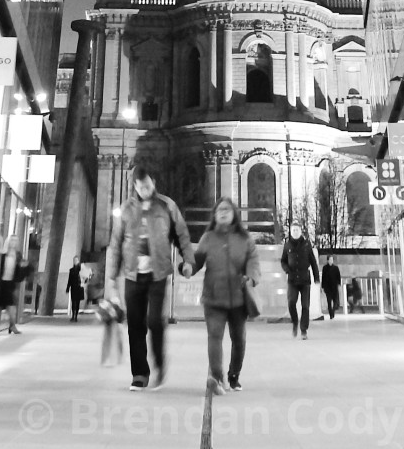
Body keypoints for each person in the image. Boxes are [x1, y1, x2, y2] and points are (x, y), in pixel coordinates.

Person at [105, 164, 195, 389]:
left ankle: (160, 363)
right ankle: (140, 374)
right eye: (141, 186)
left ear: (153, 183)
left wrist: (188, 260)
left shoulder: (166, 206)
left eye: (148, 185)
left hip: (158, 273)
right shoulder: (126, 210)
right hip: (133, 275)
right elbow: (115, 245)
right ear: (135, 186)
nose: (145, 189)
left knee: (155, 321)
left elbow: (181, 234)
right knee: (135, 324)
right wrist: (111, 278)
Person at [194, 197, 260, 394]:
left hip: (239, 298)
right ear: (214, 215)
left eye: (227, 209)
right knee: (214, 336)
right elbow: (196, 261)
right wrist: (186, 266)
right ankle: (216, 377)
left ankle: (233, 376)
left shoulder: (245, 238)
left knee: (239, 338)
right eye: (219, 209)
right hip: (213, 297)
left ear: (234, 215)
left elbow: (254, 262)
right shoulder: (208, 238)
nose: (223, 212)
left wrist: (251, 278)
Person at [280, 222, 319, 338]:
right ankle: (295, 322)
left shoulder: (307, 244)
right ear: (290, 232)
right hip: (292, 279)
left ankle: (303, 330)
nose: (295, 232)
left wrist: (316, 277)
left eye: (297, 230)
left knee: (305, 306)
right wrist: (287, 270)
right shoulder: (287, 245)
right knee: (291, 302)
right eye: (293, 230)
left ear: (300, 231)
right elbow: (283, 261)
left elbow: (313, 262)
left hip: (305, 279)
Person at [0, 235, 26, 333]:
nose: (14, 243)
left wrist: (22, 267)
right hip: (2, 283)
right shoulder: (3, 254)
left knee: (11, 306)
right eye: (12, 240)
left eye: (16, 241)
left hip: (11, 284)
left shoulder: (18, 255)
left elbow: (20, 271)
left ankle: (12, 325)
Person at [67, 256, 84, 322]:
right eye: (74, 260)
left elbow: (86, 277)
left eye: (76, 260)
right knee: (73, 302)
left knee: (77, 302)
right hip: (74, 287)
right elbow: (70, 280)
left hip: (79, 287)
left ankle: (75, 316)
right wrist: (68, 287)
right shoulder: (71, 270)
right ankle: (73, 315)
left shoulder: (81, 269)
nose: (75, 262)